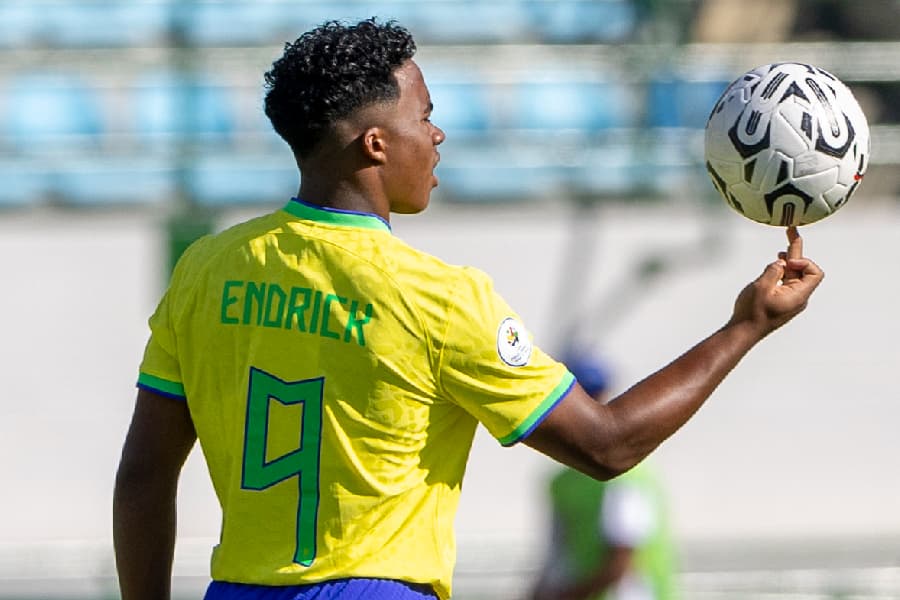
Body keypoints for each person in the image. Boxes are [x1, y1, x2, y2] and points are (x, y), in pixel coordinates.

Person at [112, 17, 824, 600]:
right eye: (426, 115)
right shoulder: (439, 298)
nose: (438, 135)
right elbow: (608, 445)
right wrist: (746, 325)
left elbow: (144, 475)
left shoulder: (206, 272)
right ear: (376, 143)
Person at [530, 354, 678, 600]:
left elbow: (623, 559)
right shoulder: (561, 482)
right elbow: (557, 552)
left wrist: (565, 596)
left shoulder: (628, 477)